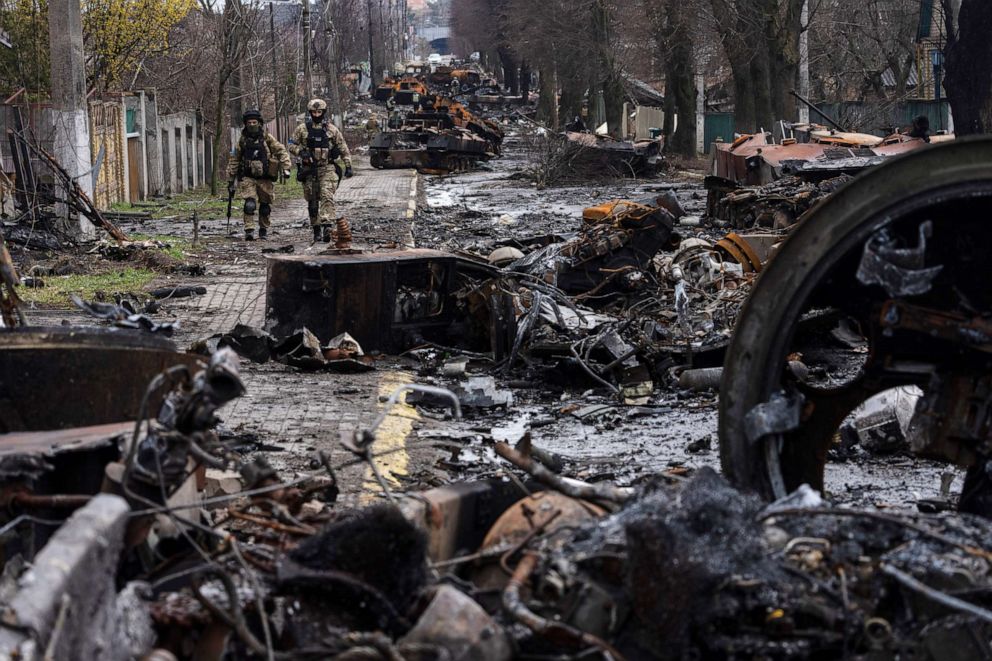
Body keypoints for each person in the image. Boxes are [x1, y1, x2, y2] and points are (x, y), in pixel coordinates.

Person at [289, 98, 355, 243]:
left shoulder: (331, 130)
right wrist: (301, 152)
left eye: (319, 112)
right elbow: (291, 145)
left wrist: (348, 165)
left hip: (328, 168)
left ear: (323, 112)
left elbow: (343, 147)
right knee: (312, 201)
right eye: (314, 112)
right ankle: (316, 229)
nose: (317, 114)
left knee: (327, 195)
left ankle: (327, 226)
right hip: (309, 170)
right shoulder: (302, 129)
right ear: (310, 113)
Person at [226, 109, 291, 241]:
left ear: (259, 123)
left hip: (265, 178)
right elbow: (235, 159)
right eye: (249, 122)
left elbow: (281, 150)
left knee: (265, 206)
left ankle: (263, 229)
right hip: (248, 177)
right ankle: (249, 230)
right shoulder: (242, 140)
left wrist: (286, 167)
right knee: (249, 204)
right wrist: (231, 178)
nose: (252, 125)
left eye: (254, 122)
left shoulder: (267, 138)